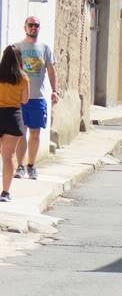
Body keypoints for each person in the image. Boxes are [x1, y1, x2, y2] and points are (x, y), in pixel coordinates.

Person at [14, 16, 58, 181]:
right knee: (20, 133)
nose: (33, 28)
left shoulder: (45, 48)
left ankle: (31, 166)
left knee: (35, 133)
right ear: (25, 27)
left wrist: (55, 90)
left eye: (36, 25)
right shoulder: (17, 47)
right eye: (30, 25)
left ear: (39, 28)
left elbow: (52, 71)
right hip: (20, 99)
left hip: (38, 98)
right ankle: (19, 166)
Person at [0, 46, 29, 202]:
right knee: (8, 157)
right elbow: (24, 100)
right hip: (13, 116)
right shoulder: (23, 77)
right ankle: (5, 193)